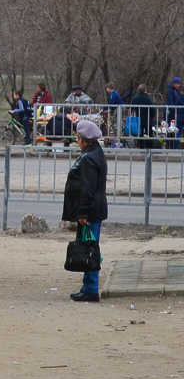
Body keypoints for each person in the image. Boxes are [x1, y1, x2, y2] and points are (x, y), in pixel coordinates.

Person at [62, 119, 107, 302]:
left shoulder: (88, 158)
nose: (76, 140)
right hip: (94, 209)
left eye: (77, 137)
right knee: (91, 247)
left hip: (90, 211)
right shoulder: (95, 152)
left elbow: (87, 189)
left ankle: (90, 288)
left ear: (82, 138)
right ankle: (88, 287)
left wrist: (82, 213)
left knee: (90, 249)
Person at [129, 84, 154, 148]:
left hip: (138, 119)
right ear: (145, 90)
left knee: (140, 134)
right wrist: (152, 116)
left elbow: (131, 109)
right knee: (149, 134)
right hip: (148, 119)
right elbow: (153, 110)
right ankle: (149, 148)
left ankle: (141, 148)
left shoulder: (135, 98)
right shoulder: (148, 98)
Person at [166, 77, 184, 150]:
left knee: (177, 131)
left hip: (179, 115)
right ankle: (174, 145)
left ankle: (176, 146)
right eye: (176, 84)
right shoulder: (171, 91)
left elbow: (176, 104)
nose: (178, 85)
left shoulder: (179, 95)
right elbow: (171, 102)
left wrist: (175, 111)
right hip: (175, 114)